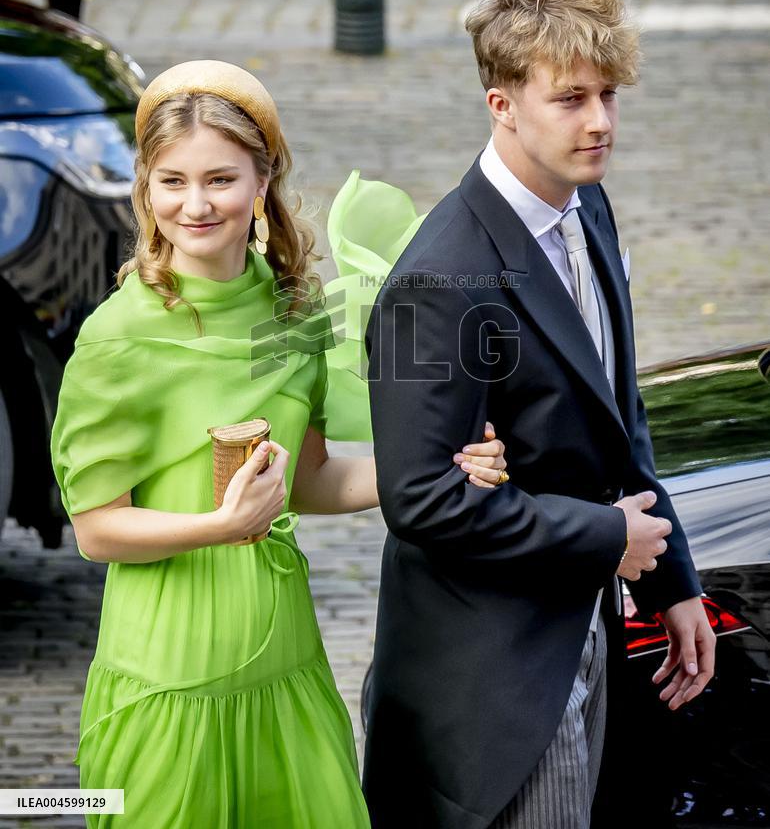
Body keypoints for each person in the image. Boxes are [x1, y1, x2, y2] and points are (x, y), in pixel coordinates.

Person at [50, 60, 508, 828]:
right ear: (146, 188)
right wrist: (220, 527)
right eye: (172, 182)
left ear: (262, 181)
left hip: (284, 659)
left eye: (220, 180)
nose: (194, 205)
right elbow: (97, 530)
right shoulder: (117, 339)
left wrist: (438, 466)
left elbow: (310, 480)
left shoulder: (293, 311)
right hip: (171, 672)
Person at [361, 0, 716, 829]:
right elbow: (420, 500)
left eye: (607, 96)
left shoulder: (588, 208)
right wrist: (609, 538)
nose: (598, 122)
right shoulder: (438, 279)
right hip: (494, 681)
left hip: (582, 631)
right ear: (501, 104)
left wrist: (671, 581)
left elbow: (616, 415)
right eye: (569, 99)